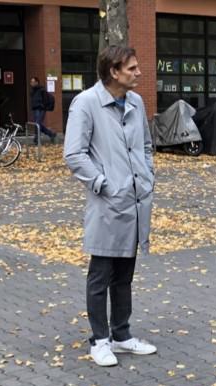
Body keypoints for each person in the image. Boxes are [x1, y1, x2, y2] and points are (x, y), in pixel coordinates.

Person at [64, 45, 158, 367]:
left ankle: (121, 335)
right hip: (108, 204)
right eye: (132, 68)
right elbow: (74, 154)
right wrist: (104, 184)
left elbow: (146, 146)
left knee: (124, 275)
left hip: (134, 203)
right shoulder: (86, 104)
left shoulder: (135, 102)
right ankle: (99, 340)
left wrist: (146, 177)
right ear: (113, 72)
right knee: (100, 273)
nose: (139, 73)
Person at [29, 76, 58, 144]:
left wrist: (43, 107)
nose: (31, 83)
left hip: (41, 109)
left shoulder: (42, 90)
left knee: (37, 124)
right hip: (35, 109)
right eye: (31, 82)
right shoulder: (32, 91)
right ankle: (51, 134)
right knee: (38, 124)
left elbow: (45, 99)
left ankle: (37, 139)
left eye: (33, 82)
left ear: (37, 82)